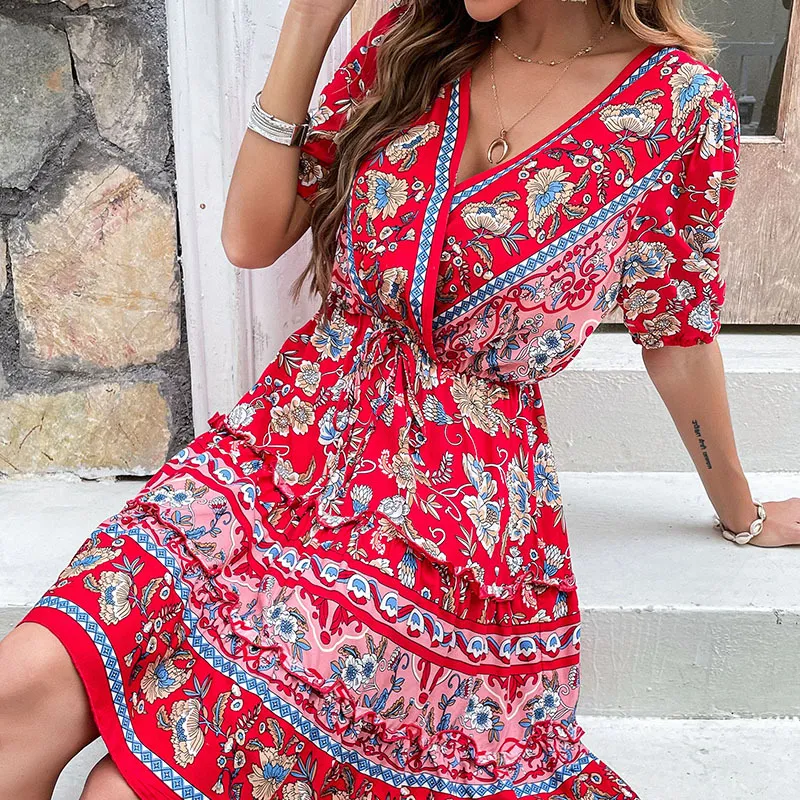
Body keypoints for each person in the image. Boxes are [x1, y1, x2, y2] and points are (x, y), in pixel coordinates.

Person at [1, 0, 799, 797]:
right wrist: (308, 23)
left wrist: (743, 510)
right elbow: (250, 237)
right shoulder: (411, 43)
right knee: (21, 687)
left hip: (443, 510)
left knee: (126, 789)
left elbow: (677, 334)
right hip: (289, 439)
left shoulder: (679, 108)